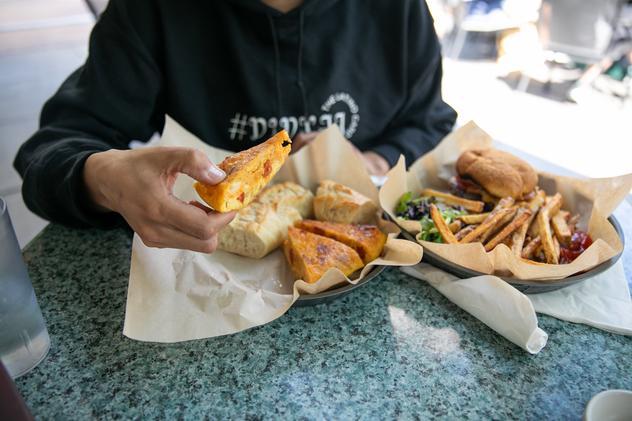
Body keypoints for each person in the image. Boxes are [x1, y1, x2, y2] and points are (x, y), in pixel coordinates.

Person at [13, 0, 456, 253]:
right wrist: (105, 179)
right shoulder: (151, 12)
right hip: (196, 276)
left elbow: (430, 119)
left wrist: (371, 161)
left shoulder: (398, 11)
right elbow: (51, 151)